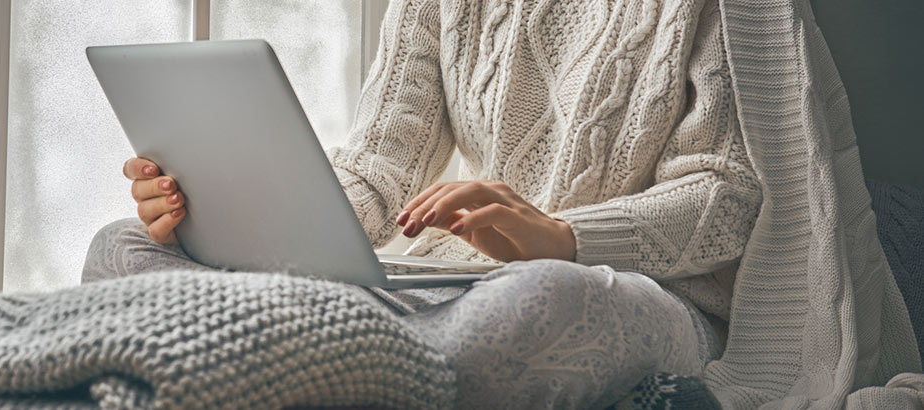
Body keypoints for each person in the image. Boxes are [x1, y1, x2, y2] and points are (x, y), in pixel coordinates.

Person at [83, 0, 760, 407]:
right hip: (448, 291)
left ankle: (290, 359)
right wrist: (220, 216)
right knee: (122, 247)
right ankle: (359, 364)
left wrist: (562, 235)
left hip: (625, 294)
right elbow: (380, 167)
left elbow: (727, 197)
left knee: (540, 300)